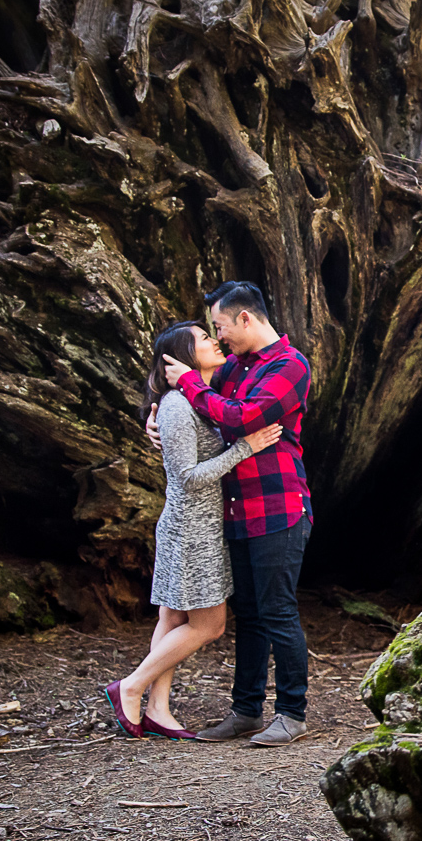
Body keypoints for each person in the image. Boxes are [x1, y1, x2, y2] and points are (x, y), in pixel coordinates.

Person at [146, 281, 314, 746]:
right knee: (251, 615)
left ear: (245, 318)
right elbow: (196, 412)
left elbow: (242, 418)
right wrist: (159, 415)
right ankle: (246, 711)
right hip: (237, 512)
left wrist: (190, 384)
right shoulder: (234, 367)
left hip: (279, 507)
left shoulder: (289, 365)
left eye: (220, 327)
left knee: (278, 610)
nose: (218, 339)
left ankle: (292, 713)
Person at [106, 322, 282, 739]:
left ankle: (157, 709)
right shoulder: (176, 406)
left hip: (201, 525)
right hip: (192, 529)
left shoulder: (200, 399)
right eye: (204, 338)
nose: (215, 341)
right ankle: (129, 687)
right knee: (209, 625)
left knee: (172, 617)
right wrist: (246, 448)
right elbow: (187, 478)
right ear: (183, 355)